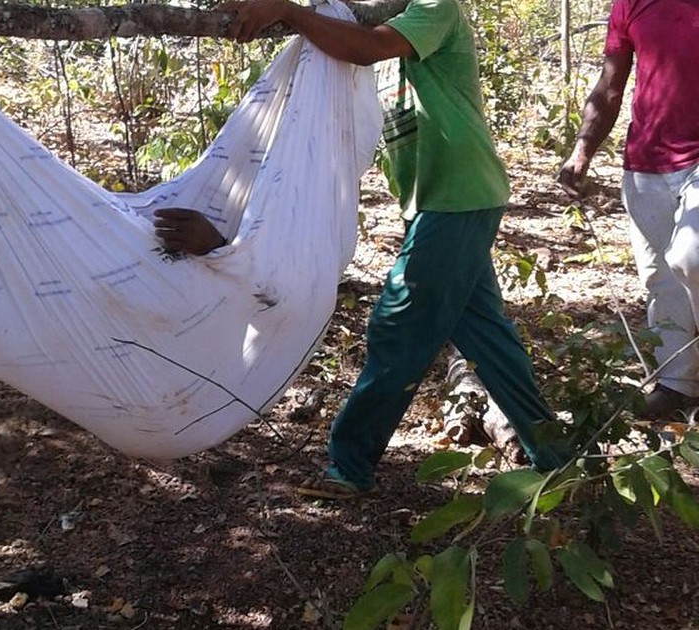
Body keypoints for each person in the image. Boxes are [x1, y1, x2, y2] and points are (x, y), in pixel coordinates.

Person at [221, 0, 567, 495]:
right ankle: (558, 454)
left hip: (456, 197)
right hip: (444, 201)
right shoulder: (384, 18)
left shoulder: (434, 7)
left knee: (397, 325)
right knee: (487, 337)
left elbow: (364, 49)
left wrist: (287, 11)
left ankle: (350, 463)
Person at [557, 0, 699, 420]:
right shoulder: (630, 5)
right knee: (659, 278)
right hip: (646, 162)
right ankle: (678, 385)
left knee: (692, 258)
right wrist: (582, 151)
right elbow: (609, 86)